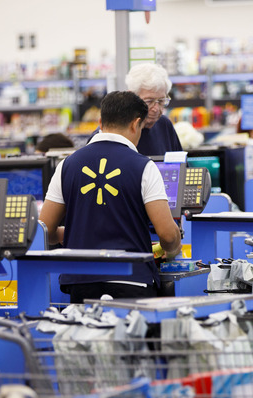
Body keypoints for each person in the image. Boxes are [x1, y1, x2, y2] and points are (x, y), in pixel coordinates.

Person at [40, 91, 182, 303]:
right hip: (132, 282)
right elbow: (167, 235)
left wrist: (76, 232)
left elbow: (45, 230)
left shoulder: (66, 165)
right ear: (136, 124)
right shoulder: (144, 166)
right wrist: (173, 248)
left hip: (81, 283)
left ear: (100, 122)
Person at [88, 63, 183, 157]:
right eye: (149, 101)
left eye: (161, 101)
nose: (156, 109)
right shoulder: (111, 132)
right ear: (132, 97)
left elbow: (181, 166)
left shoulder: (164, 125)